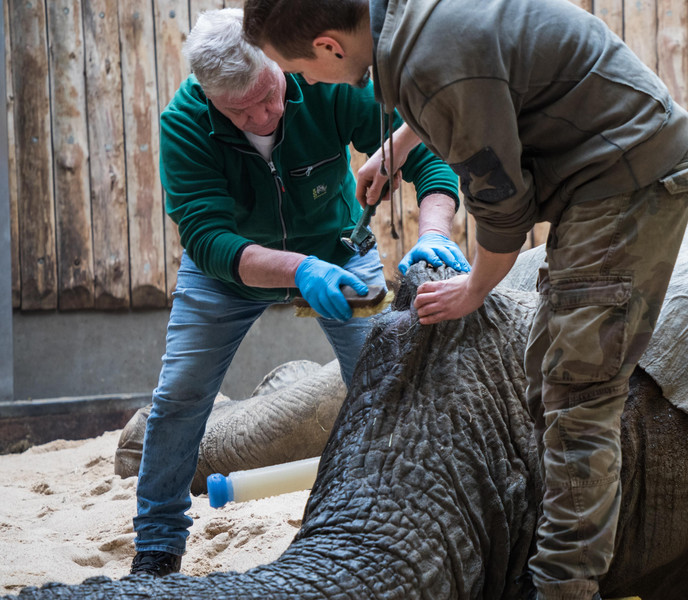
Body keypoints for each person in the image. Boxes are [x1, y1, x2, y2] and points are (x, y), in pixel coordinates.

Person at [243, 1, 688, 598]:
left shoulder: (433, 59)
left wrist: (475, 287)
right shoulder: (404, 20)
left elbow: (504, 206)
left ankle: (564, 589)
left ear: (330, 46)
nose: (306, 82)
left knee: (578, 396)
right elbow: (477, 81)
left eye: (299, 68)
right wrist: (402, 144)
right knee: (547, 368)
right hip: (597, 165)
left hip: (625, 175)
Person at [130, 8, 466, 577]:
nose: (268, 112)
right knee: (181, 394)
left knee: (388, 377)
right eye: (245, 110)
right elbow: (209, 240)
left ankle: (401, 513)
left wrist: (434, 231)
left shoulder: (320, 82)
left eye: (271, 92)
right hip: (231, 272)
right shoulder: (184, 122)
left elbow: (428, 155)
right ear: (210, 97)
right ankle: (158, 545)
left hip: (338, 249)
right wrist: (298, 269)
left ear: (277, 63)